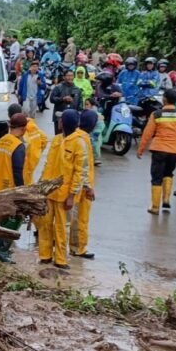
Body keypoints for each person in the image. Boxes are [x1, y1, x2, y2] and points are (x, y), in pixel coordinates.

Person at [37, 110, 84, 269]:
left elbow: (80, 172)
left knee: (62, 228)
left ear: (63, 123)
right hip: (49, 191)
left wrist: (72, 195)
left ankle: (60, 259)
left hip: (65, 196)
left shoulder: (78, 143)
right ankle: (45, 255)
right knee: (45, 224)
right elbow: (47, 164)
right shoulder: (56, 140)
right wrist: (40, 187)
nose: (58, 122)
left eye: (60, 120)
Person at [137, 88, 176, 215]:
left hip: (159, 149)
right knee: (168, 173)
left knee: (156, 177)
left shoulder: (157, 114)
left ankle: (155, 207)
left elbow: (147, 133)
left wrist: (141, 149)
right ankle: (166, 199)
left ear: (164, 99)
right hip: (174, 150)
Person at [0, 112, 29, 262]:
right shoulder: (18, 146)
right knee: (14, 220)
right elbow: (17, 172)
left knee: (2, 220)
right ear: (23, 128)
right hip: (10, 190)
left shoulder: (0, 142)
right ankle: (2, 251)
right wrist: (23, 193)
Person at [69, 109, 97, 259]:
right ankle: (79, 248)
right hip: (81, 187)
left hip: (74, 184)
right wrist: (88, 187)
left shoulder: (75, 136)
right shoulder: (84, 140)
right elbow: (83, 166)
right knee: (81, 218)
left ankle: (74, 246)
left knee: (72, 218)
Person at [9, 103, 48, 184]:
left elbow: (21, 146)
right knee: (29, 181)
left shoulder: (19, 130)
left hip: (24, 165)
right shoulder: (32, 125)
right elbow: (44, 139)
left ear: (10, 116)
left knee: (23, 185)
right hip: (32, 161)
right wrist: (37, 152)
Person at [85, 97, 105, 165]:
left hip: (95, 134)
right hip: (87, 133)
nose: (86, 106)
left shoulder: (98, 115)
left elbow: (101, 125)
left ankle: (96, 159)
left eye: (87, 104)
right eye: (85, 104)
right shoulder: (85, 113)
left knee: (95, 146)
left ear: (92, 105)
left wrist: (96, 133)